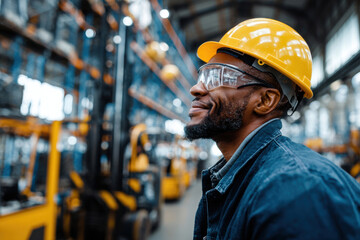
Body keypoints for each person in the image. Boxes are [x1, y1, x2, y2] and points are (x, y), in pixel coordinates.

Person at [185, 18, 360, 240]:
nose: (196, 88)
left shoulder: (299, 190)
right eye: (204, 75)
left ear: (266, 100)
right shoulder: (242, 178)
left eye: (219, 77)